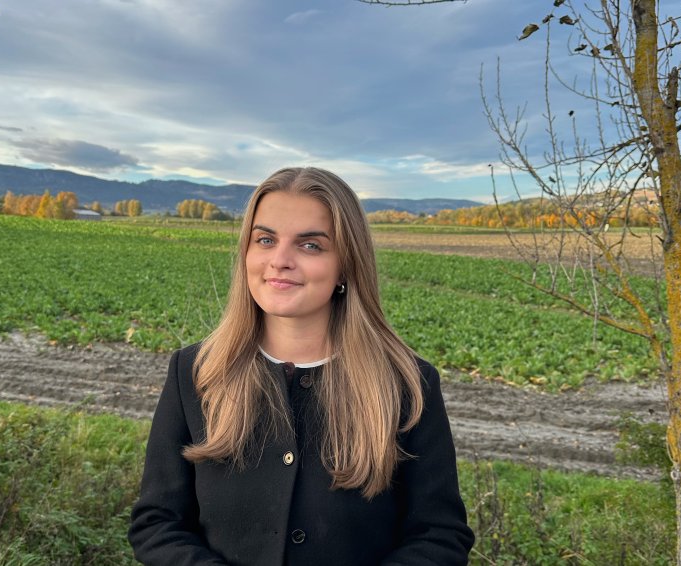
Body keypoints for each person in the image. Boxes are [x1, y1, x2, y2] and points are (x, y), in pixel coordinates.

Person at [128, 167, 474, 565]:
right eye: (265, 239)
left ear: (346, 264)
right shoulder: (195, 372)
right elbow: (158, 523)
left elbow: (439, 535)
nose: (280, 260)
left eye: (310, 245)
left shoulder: (407, 385)